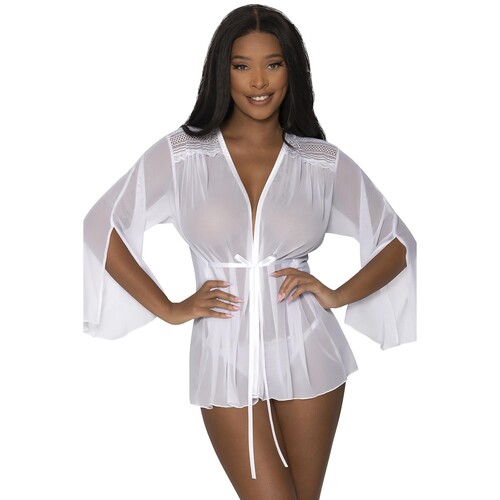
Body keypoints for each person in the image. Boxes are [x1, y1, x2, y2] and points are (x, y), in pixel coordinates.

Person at [83, 4, 416, 499]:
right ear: (223, 72)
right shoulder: (183, 154)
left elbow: (398, 243)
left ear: (291, 70)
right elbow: (101, 226)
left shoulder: (319, 161)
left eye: (273, 64)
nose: (259, 81)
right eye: (242, 65)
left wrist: (336, 294)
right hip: (224, 352)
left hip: (308, 347)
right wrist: (170, 309)